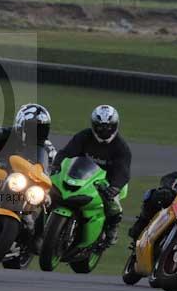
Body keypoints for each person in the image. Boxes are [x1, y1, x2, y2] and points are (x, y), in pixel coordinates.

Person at [52, 105, 131, 248]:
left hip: (106, 182)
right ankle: (39, 228)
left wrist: (115, 187)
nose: (104, 130)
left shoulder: (121, 147)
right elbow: (67, 153)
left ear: (115, 126)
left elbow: (123, 170)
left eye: (108, 127)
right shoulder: (84, 136)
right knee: (48, 192)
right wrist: (56, 165)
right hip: (79, 175)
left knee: (114, 206)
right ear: (93, 125)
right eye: (100, 127)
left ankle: (111, 230)